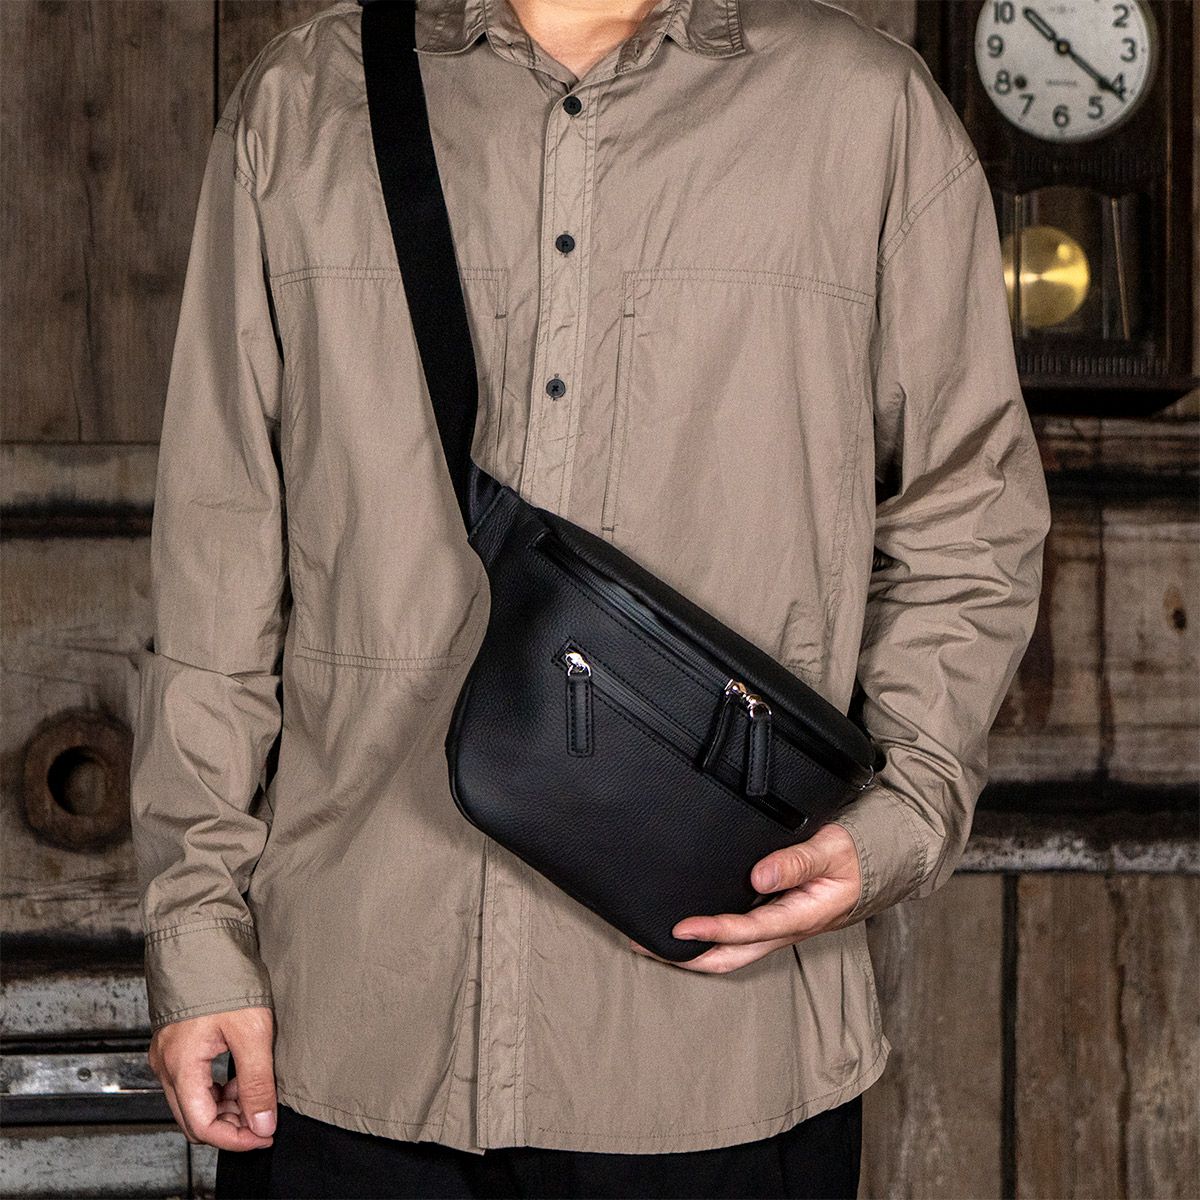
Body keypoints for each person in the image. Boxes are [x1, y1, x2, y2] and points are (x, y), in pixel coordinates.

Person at [129, 0, 1052, 1196]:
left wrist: (905, 811)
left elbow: (971, 510)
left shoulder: (867, 112)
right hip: (351, 1023)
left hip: (718, 1045)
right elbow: (217, 548)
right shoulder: (303, 103)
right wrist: (197, 932)